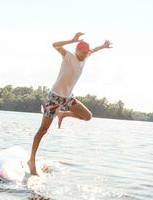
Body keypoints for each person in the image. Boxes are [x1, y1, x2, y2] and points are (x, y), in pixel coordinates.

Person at [28, 32, 112, 175]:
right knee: (42, 131)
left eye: (86, 53)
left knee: (88, 116)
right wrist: (72, 40)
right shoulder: (69, 56)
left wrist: (103, 46)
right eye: (83, 52)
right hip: (54, 98)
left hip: (68, 98)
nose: (85, 54)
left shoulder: (85, 57)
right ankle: (32, 160)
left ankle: (63, 114)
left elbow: (93, 51)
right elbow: (55, 45)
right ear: (77, 50)